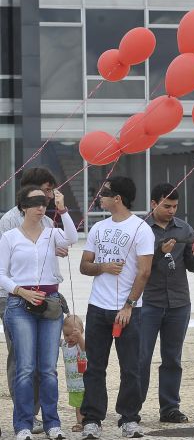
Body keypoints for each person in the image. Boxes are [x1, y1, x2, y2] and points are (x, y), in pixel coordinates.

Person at [79, 176, 155, 439]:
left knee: (131, 366)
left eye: (105, 193)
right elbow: (84, 265)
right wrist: (103, 267)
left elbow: (144, 272)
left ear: (118, 198)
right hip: (97, 307)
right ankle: (92, 420)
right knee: (95, 366)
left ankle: (129, 419)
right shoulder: (98, 228)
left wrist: (129, 305)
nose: (100, 196)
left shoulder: (141, 229)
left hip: (128, 310)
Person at [0, 185, 77, 440]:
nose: (40, 207)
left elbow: (73, 238)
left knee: (48, 368)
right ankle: (22, 424)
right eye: (34, 203)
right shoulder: (10, 236)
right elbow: (1, 273)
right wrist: (21, 291)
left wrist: (63, 208)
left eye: (44, 203)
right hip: (19, 304)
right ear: (23, 206)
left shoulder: (52, 234)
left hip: (50, 301)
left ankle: (52, 422)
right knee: (25, 367)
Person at [139, 183, 194, 423]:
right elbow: (137, 266)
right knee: (141, 357)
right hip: (148, 302)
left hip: (178, 302)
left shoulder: (184, 228)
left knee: (172, 358)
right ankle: (132, 410)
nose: (171, 211)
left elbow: (192, 266)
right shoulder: (141, 229)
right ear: (153, 204)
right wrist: (159, 253)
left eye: (175, 206)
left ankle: (169, 408)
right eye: (166, 206)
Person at [61, 314, 86, 433]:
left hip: (84, 382)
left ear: (81, 332)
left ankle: (85, 421)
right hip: (73, 384)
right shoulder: (64, 344)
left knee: (86, 403)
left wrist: (79, 337)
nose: (70, 337)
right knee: (78, 405)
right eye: (66, 335)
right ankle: (80, 421)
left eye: (73, 334)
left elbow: (85, 347)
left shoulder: (80, 346)